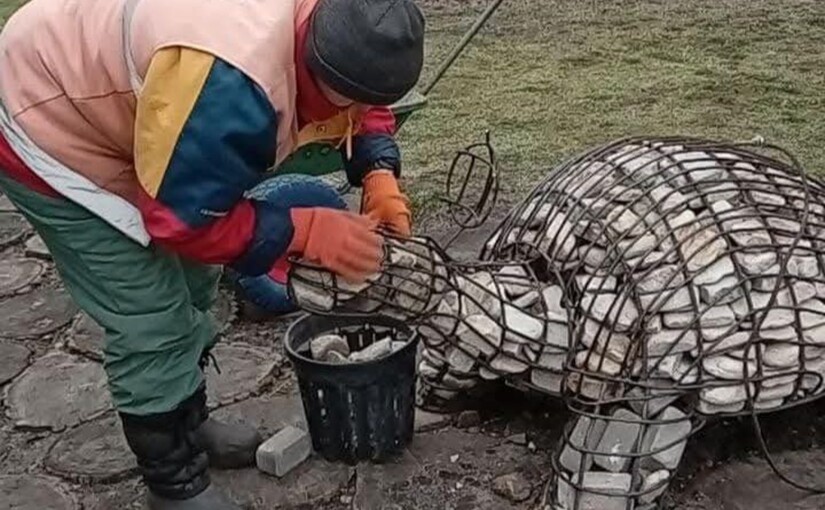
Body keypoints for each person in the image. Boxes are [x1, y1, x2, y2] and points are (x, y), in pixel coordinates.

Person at [0, 0, 424, 507]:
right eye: (347, 101)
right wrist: (304, 228)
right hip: (47, 111)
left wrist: (378, 170)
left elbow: (365, 95)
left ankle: (189, 422)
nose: (354, 114)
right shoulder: (231, 82)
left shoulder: (342, 21)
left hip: (144, 101)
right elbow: (181, 221)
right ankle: (174, 484)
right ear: (316, 62)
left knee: (197, 280)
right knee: (149, 314)